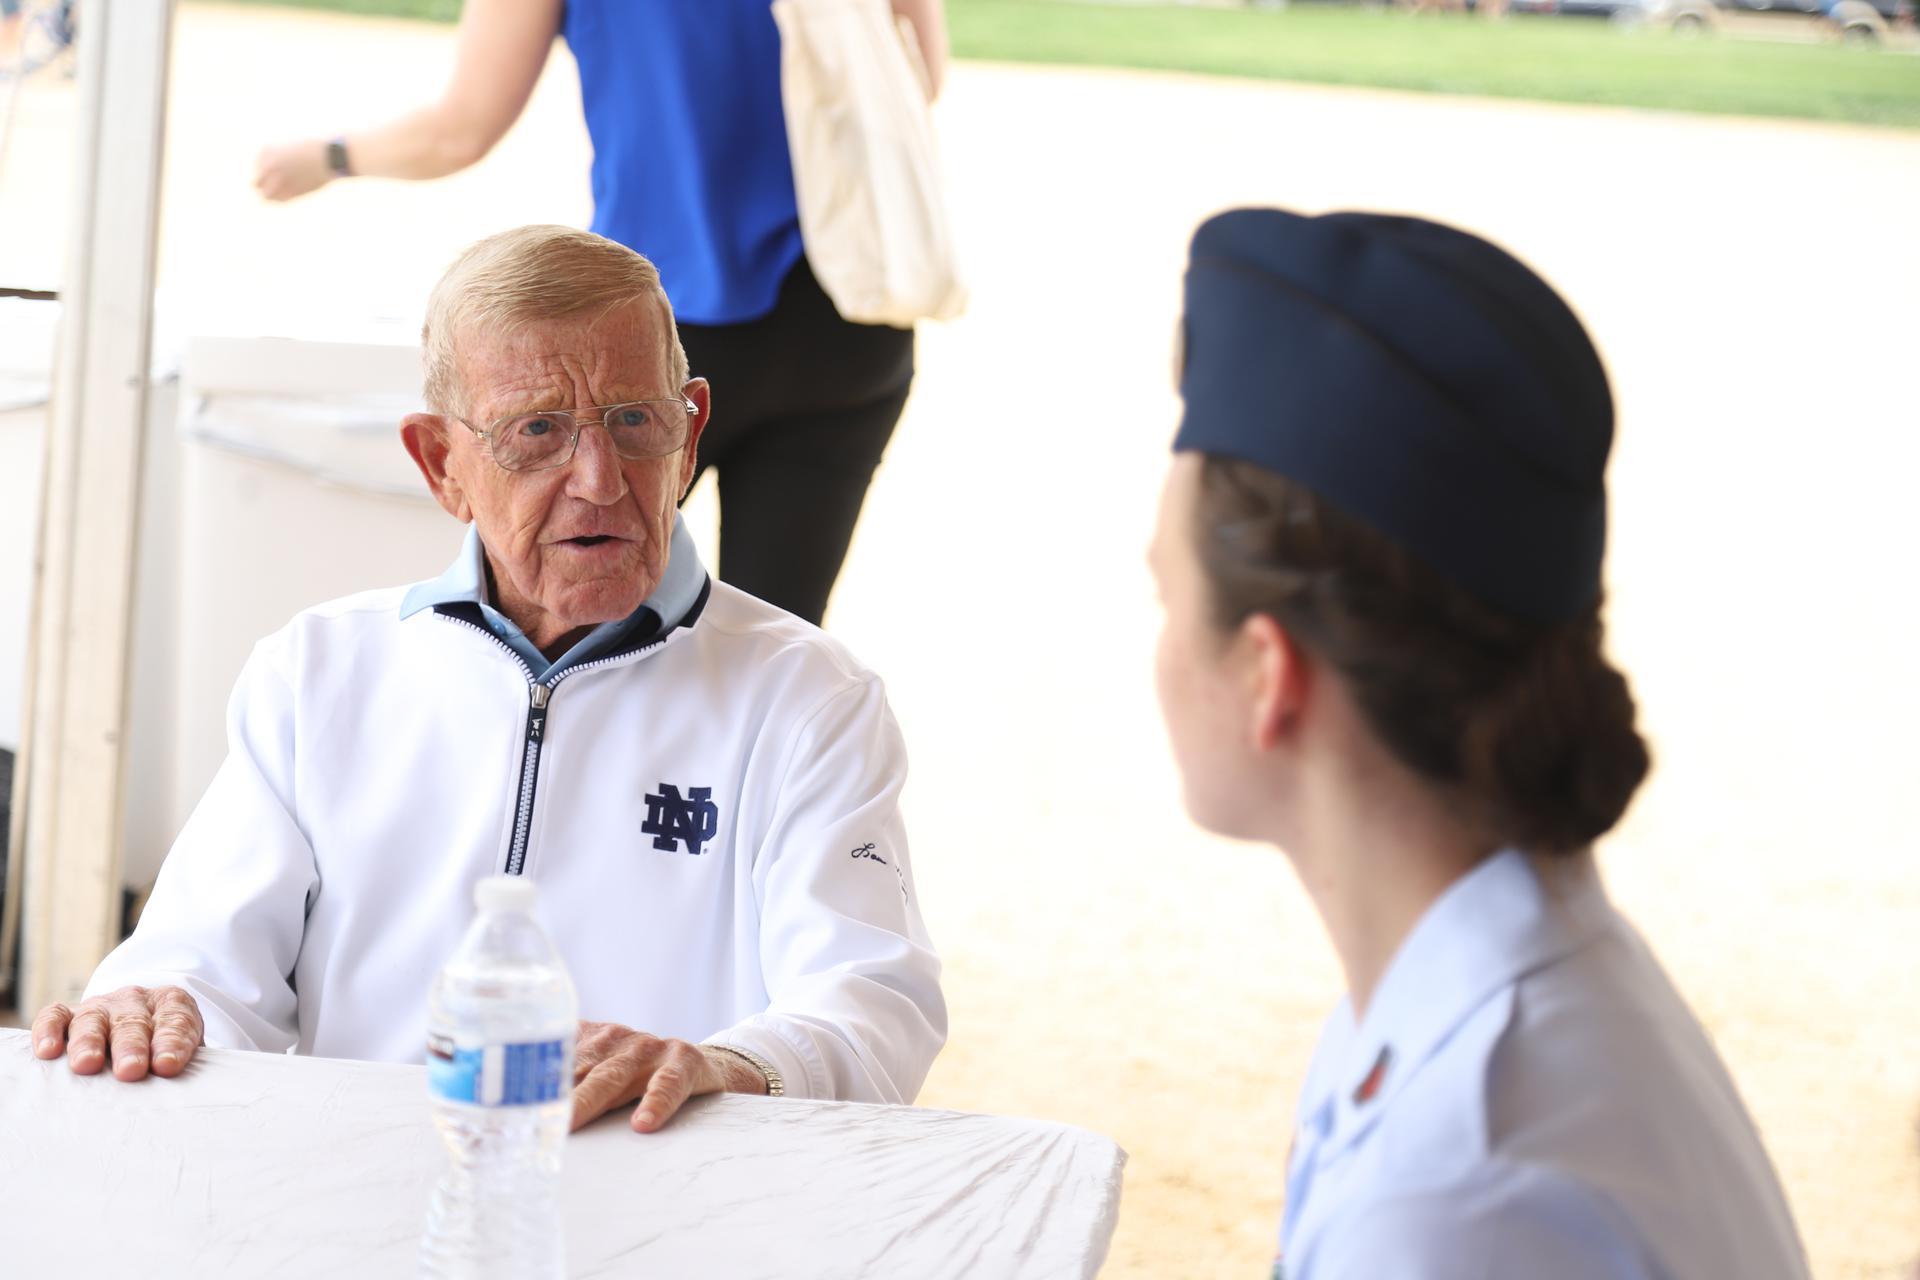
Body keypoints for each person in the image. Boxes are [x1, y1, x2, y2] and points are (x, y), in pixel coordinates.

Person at [31, 225, 946, 1134]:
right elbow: (200, 965)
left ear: (690, 431)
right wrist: (153, 1003)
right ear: (442, 464)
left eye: (634, 421)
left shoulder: (807, 697)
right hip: (362, 1201)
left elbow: (872, 1006)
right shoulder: (317, 673)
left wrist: (730, 1064)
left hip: (669, 1196)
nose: (596, 478)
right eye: (536, 432)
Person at [1150, 208, 1811, 1278]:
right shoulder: (1506, 982)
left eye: (1164, 595)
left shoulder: (1458, 1193)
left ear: (1268, 676)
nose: (1162, 645)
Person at [253, 0, 950, 628]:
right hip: (846, 328)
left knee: (563, 636)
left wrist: (327, 158)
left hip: (646, 348)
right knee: (773, 650)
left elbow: (460, 130)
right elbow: (916, 78)